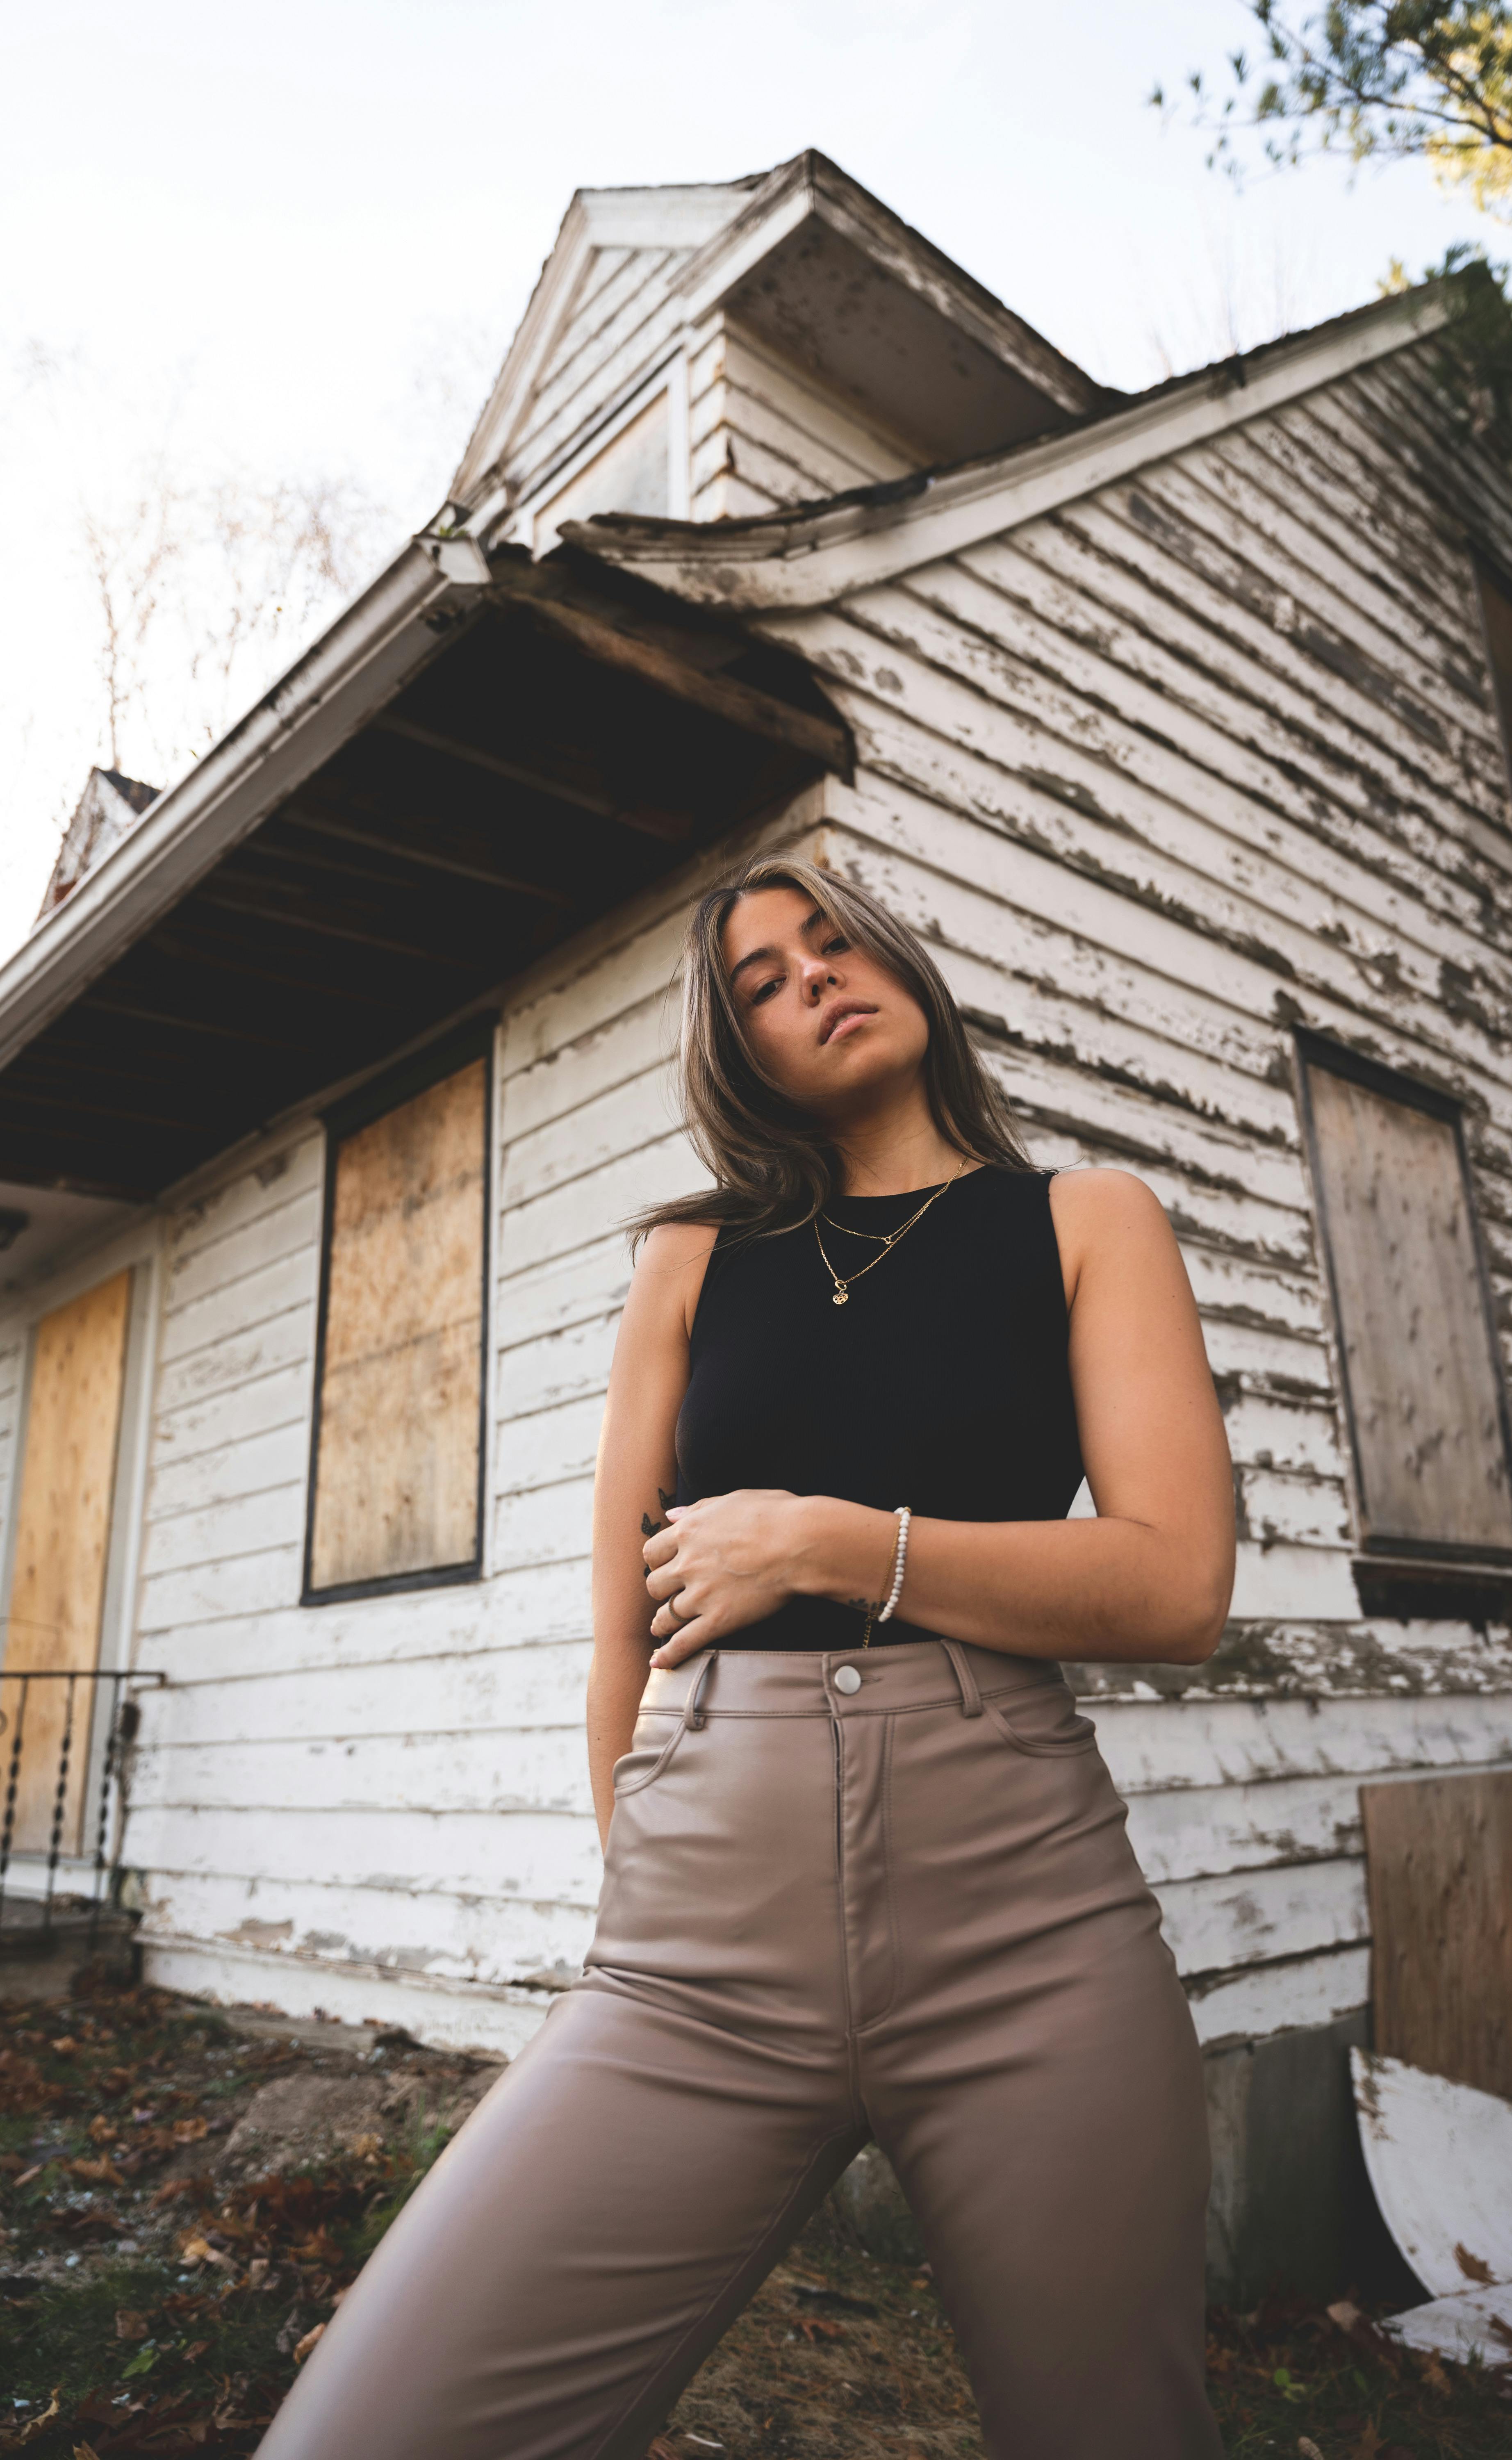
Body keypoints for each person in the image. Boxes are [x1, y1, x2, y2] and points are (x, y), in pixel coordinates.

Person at [258, 855, 1235, 2460]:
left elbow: (1176, 1582)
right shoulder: (693, 1261)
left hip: (1027, 1922)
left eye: (830, 944)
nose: (814, 982)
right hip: (701, 1930)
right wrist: (637, 1880)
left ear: (900, 961)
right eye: (764, 984)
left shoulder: (1083, 1221)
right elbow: (618, 1637)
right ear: (745, 1054)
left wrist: (831, 1541)